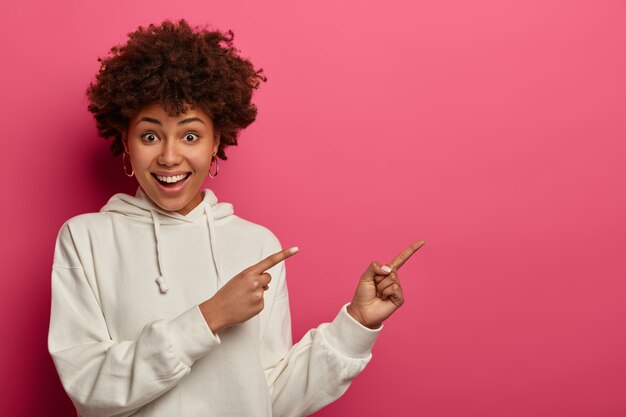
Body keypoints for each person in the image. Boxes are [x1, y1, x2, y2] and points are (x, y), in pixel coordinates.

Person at [48, 19, 425, 417]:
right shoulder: (86, 238)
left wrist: (357, 325)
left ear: (216, 143)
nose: (170, 157)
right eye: (150, 135)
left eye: (190, 136)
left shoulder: (256, 245)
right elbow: (89, 387)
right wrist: (209, 317)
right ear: (127, 141)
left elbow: (271, 396)